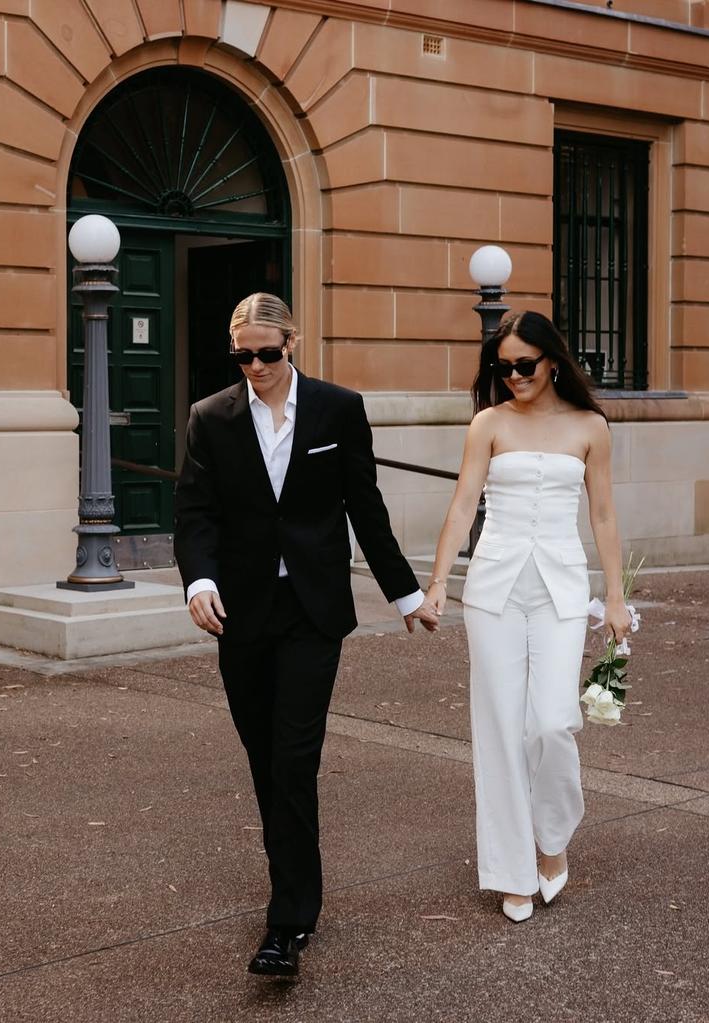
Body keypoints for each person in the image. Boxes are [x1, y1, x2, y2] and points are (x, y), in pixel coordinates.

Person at [174, 293, 438, 976]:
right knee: (266, 760)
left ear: (291, 342)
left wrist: (405, 591)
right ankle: (290, 880)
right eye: (243, 354)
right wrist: (199, 582)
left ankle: (287, 923)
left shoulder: (337, 409)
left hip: (313, 610)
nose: (255, 365)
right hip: (242, 612)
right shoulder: (210, 417)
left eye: (267, 351)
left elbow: (364, 505)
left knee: (294, 757)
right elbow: (196, 512)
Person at [428, 311, 631, 923]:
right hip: (493, 590)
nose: (513, 375)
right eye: (504, 366)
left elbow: (603, 515)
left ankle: (553, 837)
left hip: (562, 591)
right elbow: (464, 505)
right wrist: (438, 584)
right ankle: (513, 871)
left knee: (550, 722)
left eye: (525, 364)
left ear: (552, 361)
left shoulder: (591, 426)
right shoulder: (489, 423)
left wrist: (616, 597)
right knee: (499, 730)